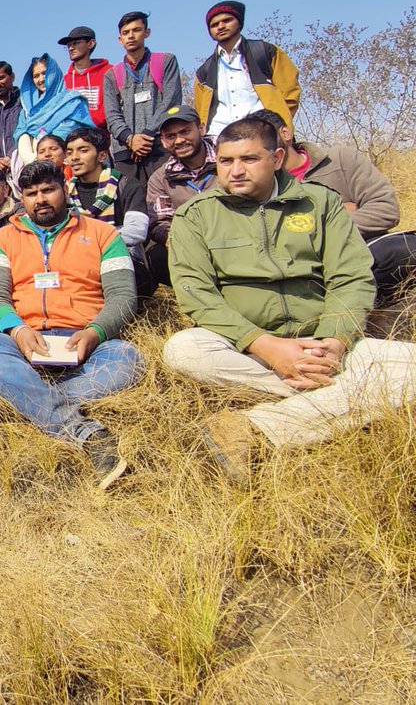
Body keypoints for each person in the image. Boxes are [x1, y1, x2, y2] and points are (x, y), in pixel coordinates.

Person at [161, 117, 416, 483]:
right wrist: (265, 345)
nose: (235, 171)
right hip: (246, 347)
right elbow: (197, 295)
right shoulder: (196, 216)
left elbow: (352, 278)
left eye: (249, 159)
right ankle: (344, 391)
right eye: (226, 161)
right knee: (182, 349)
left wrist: (335, 340)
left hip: (325, 341)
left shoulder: (320, 204)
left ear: (277, 157)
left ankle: (259, 428)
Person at [0, 159, 139, 490]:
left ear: (65, 189)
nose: (41, 199)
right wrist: (17, 330)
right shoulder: (3, 239)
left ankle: (17, 406)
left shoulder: (104, 234)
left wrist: (95, 333)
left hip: (86, 341)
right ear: (23, 198)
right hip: (27, 341)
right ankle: (84, 432)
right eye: (32, 193)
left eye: (48, 190)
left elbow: (123, 298)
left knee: (128, 359)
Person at [250, 108, 416, 308]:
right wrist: (335, 216)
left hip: (360, 250)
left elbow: (385, 209)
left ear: (285, 134)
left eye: (265, 136)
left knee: (401, 249)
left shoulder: (341, 159)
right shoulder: (258, 182)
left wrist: (331, 226)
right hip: (301, 268)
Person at [63, 126, 154, 297]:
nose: (74, 158)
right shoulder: (65, 193)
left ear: (102, 155)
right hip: (77, 264)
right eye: (69, 152)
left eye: (83, 150)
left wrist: (89, 244)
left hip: (121, 259)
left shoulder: (126, 185)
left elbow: (136, 232)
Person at [194, 0, 301, 137]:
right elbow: (201, 111)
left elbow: (290, 92)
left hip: (263, 133)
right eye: (214, 25)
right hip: (219, 138)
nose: (220, 26)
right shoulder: (204, 72)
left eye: (227, 20)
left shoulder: (265, 52)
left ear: (239, 22)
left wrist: (278, 124)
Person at [101, 11, 183, 183]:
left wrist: (145, 137)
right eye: (125, 33)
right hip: (125, 151)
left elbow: (171, 102)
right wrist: (130, 139)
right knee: (131, 206)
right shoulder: (112, 75)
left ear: (147, 32)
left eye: (136, 30)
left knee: (165, 200)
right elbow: (111, 115)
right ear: (119, 39)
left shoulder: (165, 61)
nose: (131, 36)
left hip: (160, 146)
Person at [145, 106, 216, 288]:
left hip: (231, 238)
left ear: (201, 128)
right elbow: (160, 221)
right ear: (163, 140)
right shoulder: (160, 178)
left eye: (185, 131)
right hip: (189, 244)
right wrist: (173, 238)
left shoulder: (228, 160)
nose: (179, 140)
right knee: (157, 256)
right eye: (170, 136)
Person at [12, 55, 93, 169]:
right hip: (35, 168)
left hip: (68, 165)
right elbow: (21, 132)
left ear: (54, 73)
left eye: (45, 73)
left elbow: (67, 131)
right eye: (36, 76)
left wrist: (46, 152)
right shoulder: (27, 109)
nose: (41, 79)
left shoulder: (72, 101)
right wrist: (31, 159)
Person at [57, 26, 113, 130]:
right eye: (68, 45)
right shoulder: (63, 81)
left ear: (91, 43)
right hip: (72, 138)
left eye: (76, 43)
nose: (71, 48)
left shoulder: (109, 72)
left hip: (103, 137)